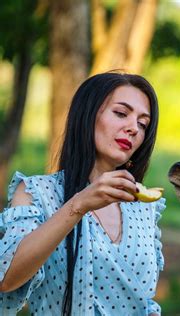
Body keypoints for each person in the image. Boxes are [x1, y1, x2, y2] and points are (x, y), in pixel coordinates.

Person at [0, 72, 165, 315]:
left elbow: (142, 300)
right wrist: (78, 206)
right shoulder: (37, 193)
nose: (133, 128)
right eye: (121, 113)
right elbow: (7, 278)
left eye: (143, 124)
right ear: (87, 115)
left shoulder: (144, 207)